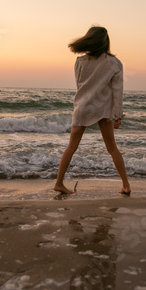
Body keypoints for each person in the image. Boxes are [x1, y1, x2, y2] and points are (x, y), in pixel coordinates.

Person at [54, 26, 131, 195]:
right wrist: (118, 115)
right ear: (106, 42)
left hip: (83, 107)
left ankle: (59, 183)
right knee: (112, 148)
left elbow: (80, 85)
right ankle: (126, 185)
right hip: (103, 109)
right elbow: (118, 91)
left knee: (71, 147)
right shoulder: (114, 63)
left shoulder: (80, 62)